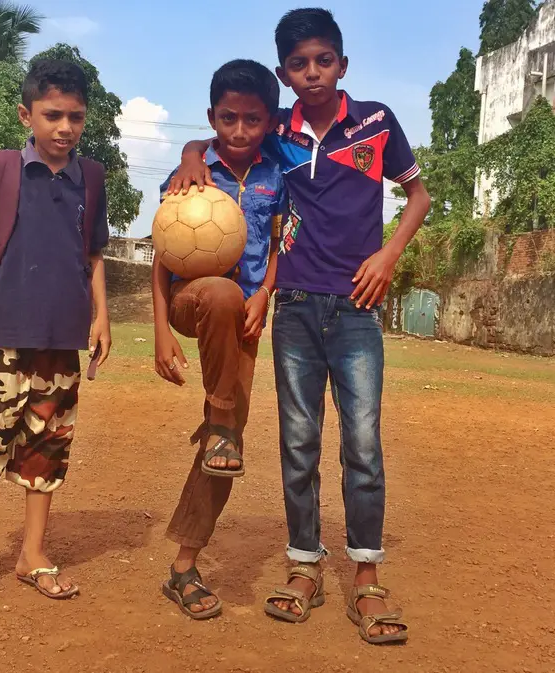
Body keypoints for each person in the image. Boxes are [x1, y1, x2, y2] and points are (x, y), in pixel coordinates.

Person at [170, 9, 431, 643]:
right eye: (298, 64)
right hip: (293, 308)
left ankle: (367, 577)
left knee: (363, 445)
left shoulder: (374, 120)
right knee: (299, 445)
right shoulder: (277, 129)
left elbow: (417, 195)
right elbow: (219, 139)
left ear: (342, 63)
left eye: (323, 60)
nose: (311, 73)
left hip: (357, 309)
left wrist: (387, 255)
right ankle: (304, 566)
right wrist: (186, 151)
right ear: (284, 73)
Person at [0, 59, 112, 608]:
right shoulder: (5, 168)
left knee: (47, 447)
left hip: (63, 338)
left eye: (75, 117)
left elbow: (93, 254)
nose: (65, 127)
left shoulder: (93, 178)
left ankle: (33, 554)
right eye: (52, 115)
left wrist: (101, 315)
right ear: (27, 115)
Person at [153, 59, 286, 619]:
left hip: (245, 317)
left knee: (224, 449)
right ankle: (221, 419)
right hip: (194, 301)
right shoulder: (189, 173)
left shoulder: (279, 175)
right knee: (222, 298)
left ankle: (184, 566)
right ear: (211, 118)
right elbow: (162, 255)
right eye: (227, 118)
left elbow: (281, 245)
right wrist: (161, 330)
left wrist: (265, 296)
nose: (238, 130)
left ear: (270, 122)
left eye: (252, 120)